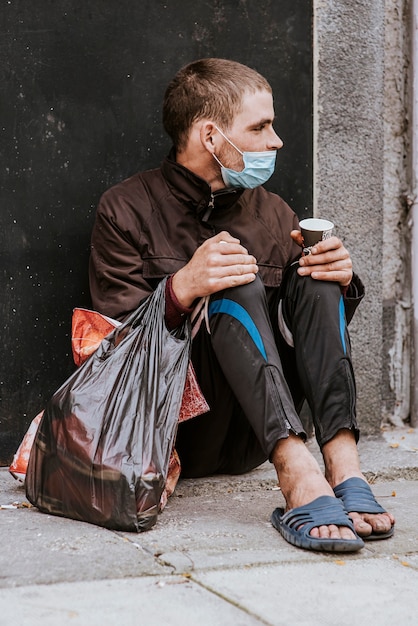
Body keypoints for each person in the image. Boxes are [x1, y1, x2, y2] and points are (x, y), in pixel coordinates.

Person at [89, 58, 395, 552]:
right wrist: (181, 288)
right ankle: (298, 477)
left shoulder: (272, 212)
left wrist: (340, 280)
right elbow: (112, 348)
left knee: (316, 280)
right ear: (211, 137)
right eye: (260, 127)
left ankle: (343, 466)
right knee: (230, 278)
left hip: (256, 429)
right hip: (174, 433)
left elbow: (310, 335)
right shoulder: (125, 209)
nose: (276, 141)